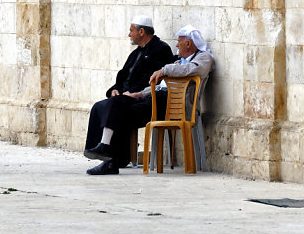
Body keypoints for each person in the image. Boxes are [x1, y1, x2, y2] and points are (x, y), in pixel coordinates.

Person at [85, 22, 215, 175]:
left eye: (179, 41)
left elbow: (192, 69)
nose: (177, 45)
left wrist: (165, 69)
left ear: (189, 43)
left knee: (119, 108)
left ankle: (109, 156)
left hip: (172, 105)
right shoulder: (178, 61)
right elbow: (160, 85)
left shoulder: (204, 58)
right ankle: (107, 155)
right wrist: (139, 94)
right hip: (155, 99)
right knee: (117, 104)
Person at [84, 14, 174, 175]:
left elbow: (151, 80)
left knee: (116, 107)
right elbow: (123, 77)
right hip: (126, 99)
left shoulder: (161, 49)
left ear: (141, 32)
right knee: (100, 106)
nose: (129, 34)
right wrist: (114, 90)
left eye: (131, 30)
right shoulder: (135, 54)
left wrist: (131, 93)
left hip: (147, 102)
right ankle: (99, 152)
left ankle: (110, 156)